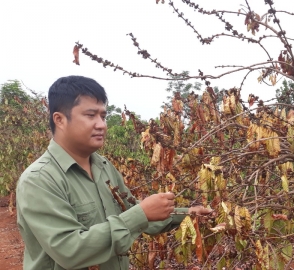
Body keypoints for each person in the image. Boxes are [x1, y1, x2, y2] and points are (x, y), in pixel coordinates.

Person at [16, 76, 210, 270]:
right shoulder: (39, 180)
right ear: (59, 119)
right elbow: (70, 251)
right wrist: (141, 214)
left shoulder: (103, 166)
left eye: (103, 116)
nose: (101, 125)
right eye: (90, 115)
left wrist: (188, 214)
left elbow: (139, 216)